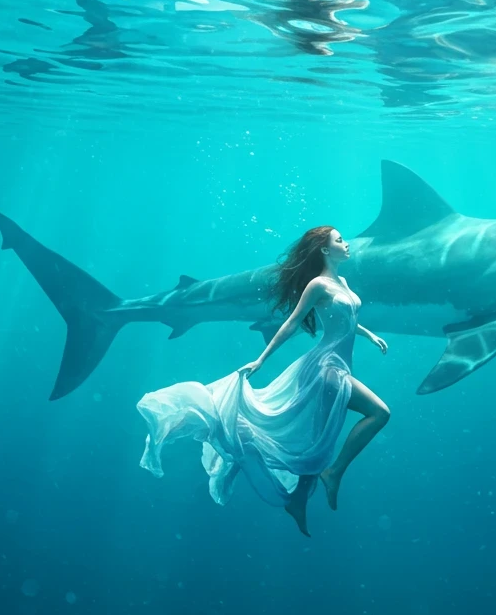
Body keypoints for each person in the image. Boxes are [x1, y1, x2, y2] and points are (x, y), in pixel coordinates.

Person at [136, 226, 391, 536]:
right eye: (339, 240)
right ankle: (333, 473)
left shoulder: (343, 282)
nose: (346, 243)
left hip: (341, 364)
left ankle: (299, 499)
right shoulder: (317, 285)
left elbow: (347, 317)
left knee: (315, 440)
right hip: (326, 368)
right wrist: (261, 359)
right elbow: (290, 323)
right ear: (324, 249)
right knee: (379, 413)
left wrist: (369, 335)